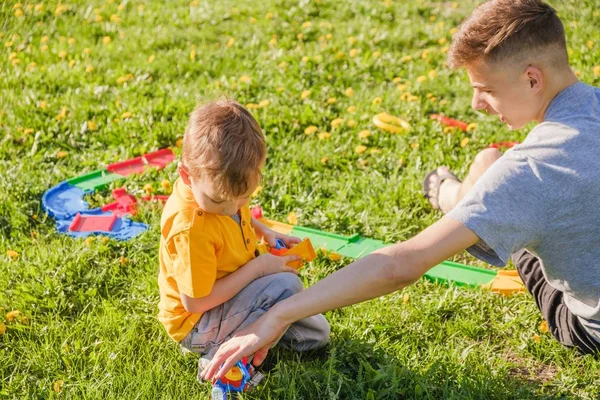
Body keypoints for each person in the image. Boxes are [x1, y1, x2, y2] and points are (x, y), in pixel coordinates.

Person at [201, 0, 600, 381]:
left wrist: (276, 316)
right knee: (492, 167)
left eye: (486, 89)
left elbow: (400, 266)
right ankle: (465, 189)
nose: (476, 103)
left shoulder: (528, 173)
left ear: (532, 78)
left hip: (588, 324)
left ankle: (454, 196)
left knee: (492, 173)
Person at [157, 100, 330, 380]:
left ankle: (256, 334)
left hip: (231, 298)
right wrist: (260, 269)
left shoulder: (220, 194)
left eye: (244, 198)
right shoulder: (191, 229)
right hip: (198, 323)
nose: (232, 208)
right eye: (220, 201)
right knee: (287, 285)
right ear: (187, 176)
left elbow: (234, 211)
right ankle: (221, 358)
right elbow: (195, 303)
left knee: (315, 333)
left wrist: (265, 232)